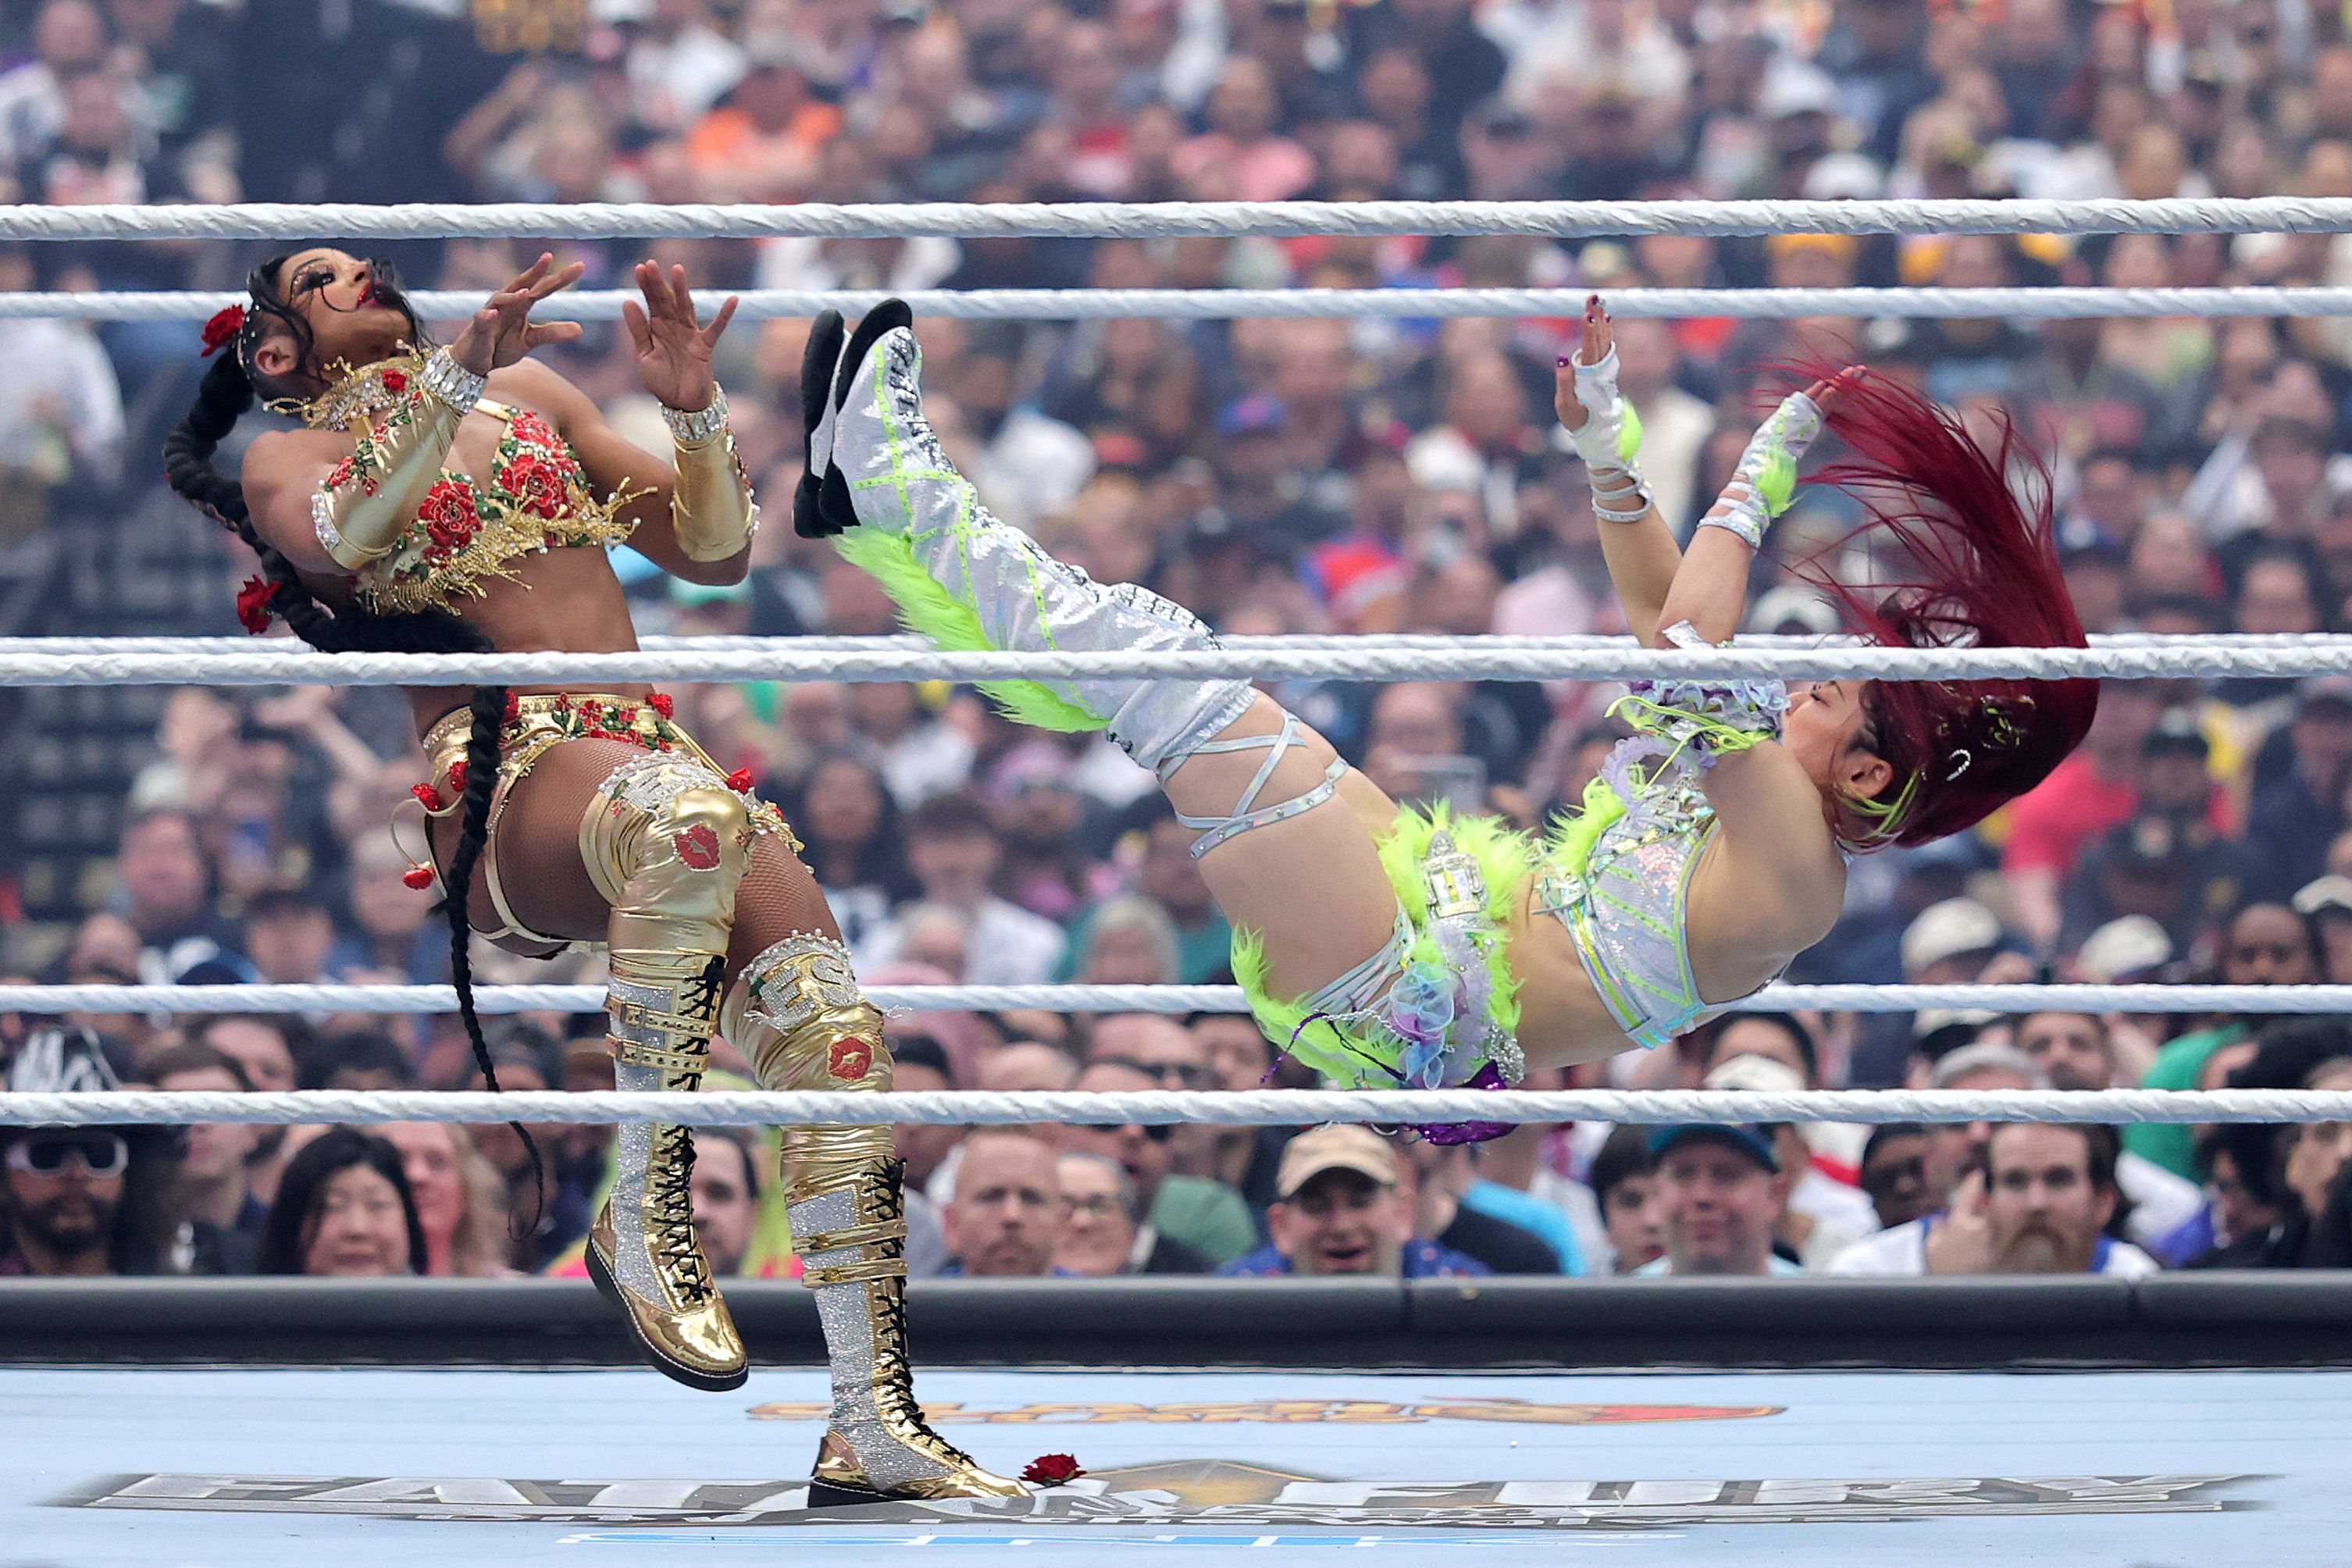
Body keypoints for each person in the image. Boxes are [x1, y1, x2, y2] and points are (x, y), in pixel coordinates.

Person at [796, 294, 2093, 1135]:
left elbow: (1687, 648)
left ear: (1864, 774)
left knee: (1169, 681)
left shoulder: (1798, 866)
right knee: (1163, 669)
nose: (1805, 682)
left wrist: (1764, 466)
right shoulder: (1771, 809)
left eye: (1833, 695)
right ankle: (877, 498)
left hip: (1399, 982)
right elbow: (1669, 618)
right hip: (1421, 916)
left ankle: (888, 487)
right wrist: (1604, 454)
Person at [163, 251, 1018, 1499]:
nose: (361, 275)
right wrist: (459, 370)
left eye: (362, 263)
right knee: (691, 819)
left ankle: (872, 1420)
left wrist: (693, 409)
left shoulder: (538, 398)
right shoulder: (286, 457)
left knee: (835, 1038)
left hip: (645, 761)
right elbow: (355, 530)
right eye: (323, 276)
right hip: (503, 779)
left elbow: (711, 552)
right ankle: (644, 1202)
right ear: (277, 349)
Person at [1218, 1125, 1488, 1278]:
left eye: (1361, 1202)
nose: (1342, 1226)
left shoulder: (1460, 1292)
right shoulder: (1233, 1302)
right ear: (1280, 1226)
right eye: (1316, 1206)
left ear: (1403, 1213)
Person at [1636, 1124, 1802, 1277]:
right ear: (1655, 1191)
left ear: (1775, 1195)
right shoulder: (1625, 1297)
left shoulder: (1811, 1297)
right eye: (1683, 1174)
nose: (1702, 1196)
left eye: (1726, 1175)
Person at [255, 1127, 426, 1277]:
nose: (357, 1228)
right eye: (333, 1207)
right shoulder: (248, 1302)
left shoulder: (437, 1303)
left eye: (377, 1205)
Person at [939, 1129, 1064, 1277]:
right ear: (952, 1223)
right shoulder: (919, 1290)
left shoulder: (1089, 1292)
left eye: (1031, 1198)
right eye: (991, 1197)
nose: (1012, 1216)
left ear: (1061, 1224)